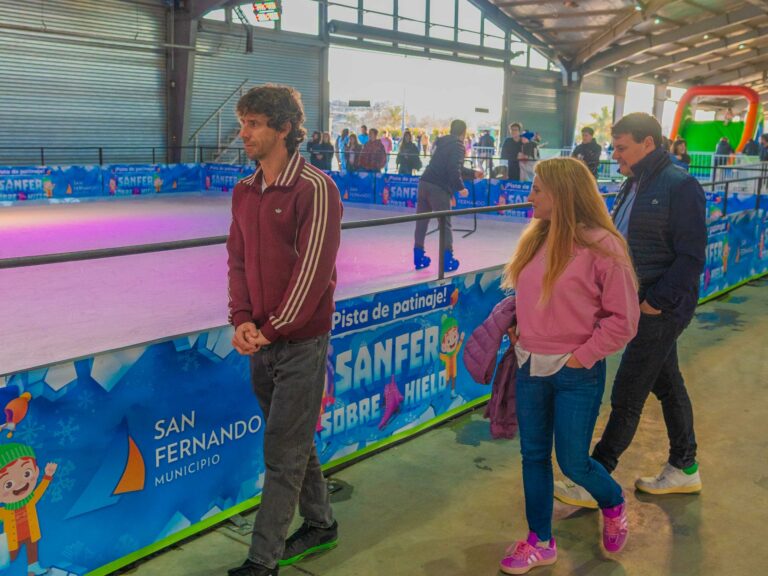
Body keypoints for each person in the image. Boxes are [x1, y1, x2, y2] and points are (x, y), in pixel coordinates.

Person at [554, 112, 706, 512]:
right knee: (667, 383)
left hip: (657, 309)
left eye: (622, 147)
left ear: (648, 144)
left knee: (628, 392)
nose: (615, 154)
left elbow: (691, 258)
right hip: (634, 305)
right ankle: (684, 465)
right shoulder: (632, 184)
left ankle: (596, 477)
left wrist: (653, 303)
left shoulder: (680, 186)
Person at [497, 157, 639, 573]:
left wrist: (581, 358)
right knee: (533, 455)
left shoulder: (603, 246)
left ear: (562, 194)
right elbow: (536, 295)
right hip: (529, 367)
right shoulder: (536, 239)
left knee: (573, 461)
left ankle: (611, 501)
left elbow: (623, 320)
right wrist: (519, 327)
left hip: (576, 373)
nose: (530, 194)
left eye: (538, 188)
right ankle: (540, 540)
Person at [226, 84, 342, 576]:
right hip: (262, 341)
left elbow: (312, 274)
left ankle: (263, 559)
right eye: (243, 122)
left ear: (285, 129)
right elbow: (237, 261)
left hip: (299, 343)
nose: (243, 133)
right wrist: (242, 320)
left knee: (282, 450)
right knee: (294, 441)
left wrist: (270, 331)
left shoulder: (315, 189)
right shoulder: (244, 191)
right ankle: (320, 522)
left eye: (253, 123)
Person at [413, 119, 482, 272]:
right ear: (463, 132)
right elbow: (453, 169)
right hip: (438, 188)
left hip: (424, 182)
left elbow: (452, 166)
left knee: (421, 222)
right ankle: (447, 260)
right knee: (445, 224)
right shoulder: (458, 146)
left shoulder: (442, 142)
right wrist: (461, 188)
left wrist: (473, 174)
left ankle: (418, 257)